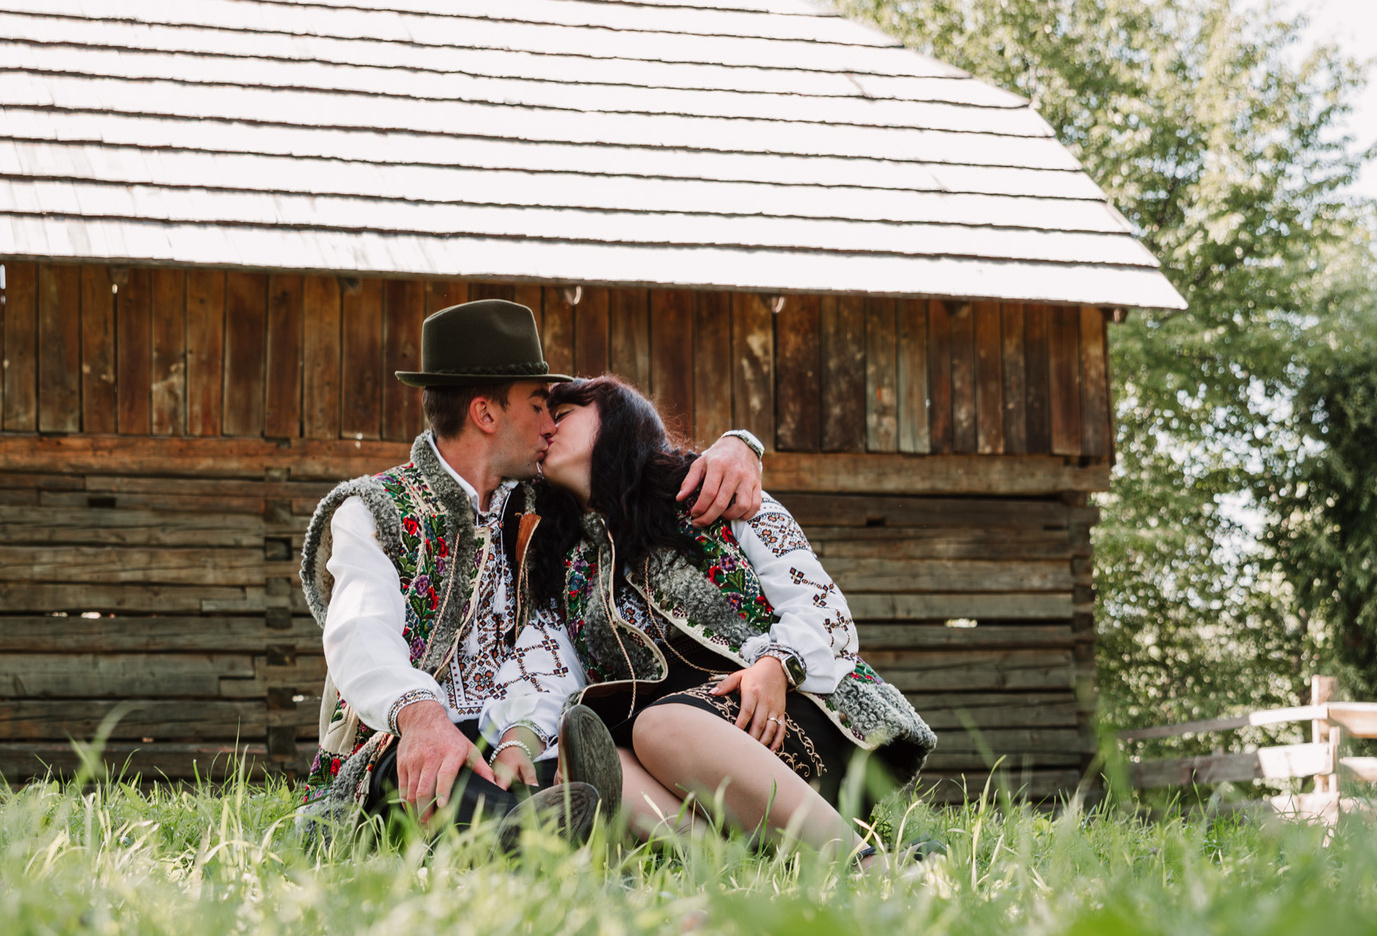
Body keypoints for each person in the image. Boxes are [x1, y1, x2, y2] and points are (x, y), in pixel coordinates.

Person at [296, 300, 765, 843]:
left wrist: (740, 446)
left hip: (520, 744)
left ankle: (561, 836)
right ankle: (544, 842)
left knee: (591, 772)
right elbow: (359, 630)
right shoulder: (375, 510)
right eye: (540, 405)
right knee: (437, 776)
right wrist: (422, 718)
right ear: (486, 414)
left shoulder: (548, 511)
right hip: (411, 745)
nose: (551, 424)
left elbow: (635, 465)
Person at [525, 375, 935, 859]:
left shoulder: (716, 493)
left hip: (795, 712)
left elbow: (824, 609)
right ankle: (732, 868)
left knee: (656, 728)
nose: (548, 426)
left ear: (616, 420)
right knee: (596, 763)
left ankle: (862, 863)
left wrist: (777, 665)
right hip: (683, 755)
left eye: (565, 413)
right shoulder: (565, 562)